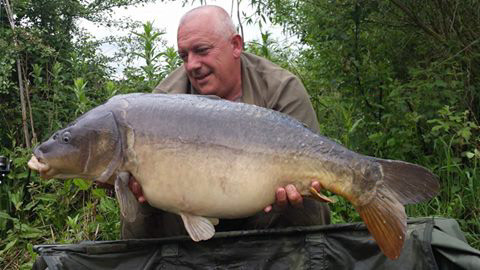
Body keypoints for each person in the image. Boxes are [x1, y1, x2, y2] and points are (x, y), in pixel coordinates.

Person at [122, 5, 330, 239]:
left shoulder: (280, 88)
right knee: (142, 198)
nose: (191, 65)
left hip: (263, 205)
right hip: (193, 205)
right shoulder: (165, 99)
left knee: (308, 198)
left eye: (201, 50)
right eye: (184, 55)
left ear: (236, 45)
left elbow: (316, 158)